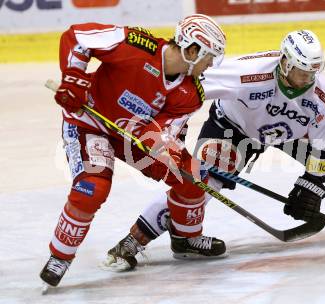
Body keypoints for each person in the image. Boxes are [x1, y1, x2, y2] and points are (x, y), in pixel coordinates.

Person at [103, 29, 325, 272]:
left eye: (311, 74)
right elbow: (186, 89)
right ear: (283, 62)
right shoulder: (245, 73)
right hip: (234, 129)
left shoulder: (323, 95)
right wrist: (164, 127)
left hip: (289, 135)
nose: (304, 81)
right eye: (298, 72)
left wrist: (312, 185)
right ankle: (132, 241)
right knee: (200, 179)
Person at [39, 14, 228, 287]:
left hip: (132, 138)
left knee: (193, 176)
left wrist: (162, 143)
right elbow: (77, 38)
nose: (210, 64)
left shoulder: (190, 93)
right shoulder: (137, 45)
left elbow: (166, 130)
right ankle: (60, 256)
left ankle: (186, 238)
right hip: (90, 122)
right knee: (92, 188)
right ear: (192, 50)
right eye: (209, 56)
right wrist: (74, 79)